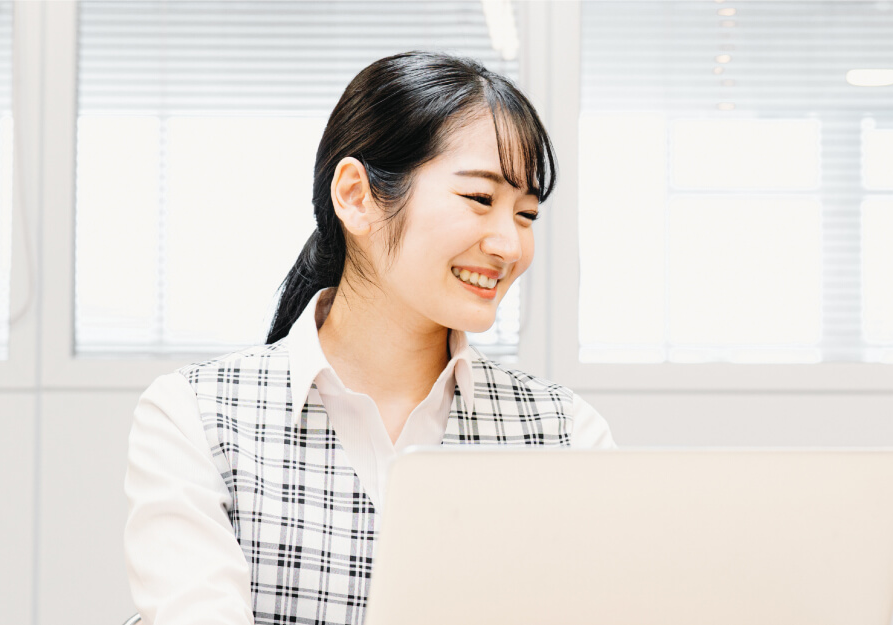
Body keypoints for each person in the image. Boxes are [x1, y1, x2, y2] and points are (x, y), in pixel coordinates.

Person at [122, 51, 616, 625]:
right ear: (356, 196)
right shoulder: (195, 417)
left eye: (526, 215)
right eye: (480, 200)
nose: (509, 245)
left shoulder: (566, 434)